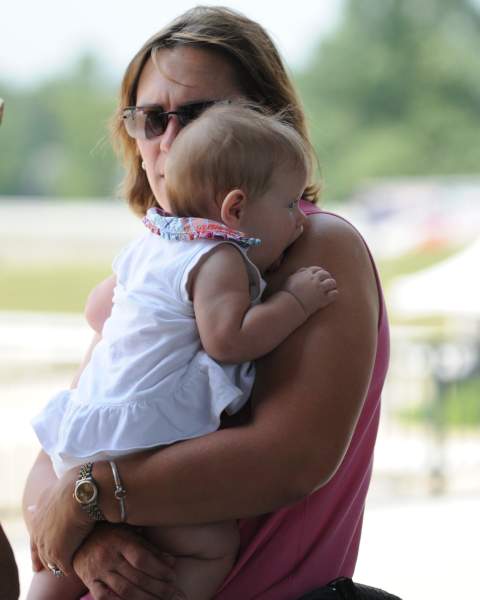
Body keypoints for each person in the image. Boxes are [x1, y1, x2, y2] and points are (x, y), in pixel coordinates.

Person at [23, 6, 389, 600]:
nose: (170, 140)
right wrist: (86, 535)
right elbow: (65, 447)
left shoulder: (316, 243)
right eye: (150, 118)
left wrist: (93, 495)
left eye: (196, 115)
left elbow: (288, 457)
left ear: (267, 121)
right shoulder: (154, 260)